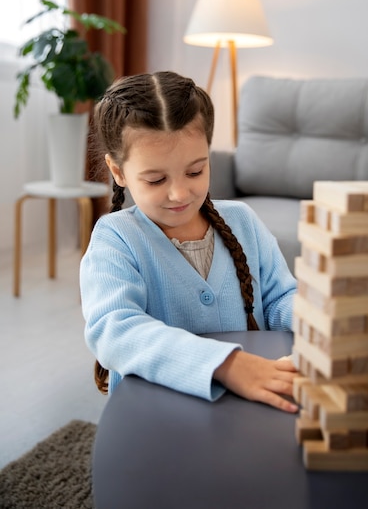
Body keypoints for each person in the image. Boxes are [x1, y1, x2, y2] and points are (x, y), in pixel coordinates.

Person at [80, 71, 299, 413]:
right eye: (155, 179)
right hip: (157, 413)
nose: (180, 193)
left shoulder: (242, 220)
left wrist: (317, 321)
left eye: (195, 171)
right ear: (118, 171)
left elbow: (281, 297)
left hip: (248, 404)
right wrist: (226, 365)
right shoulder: (115, 239)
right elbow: (115, 330)